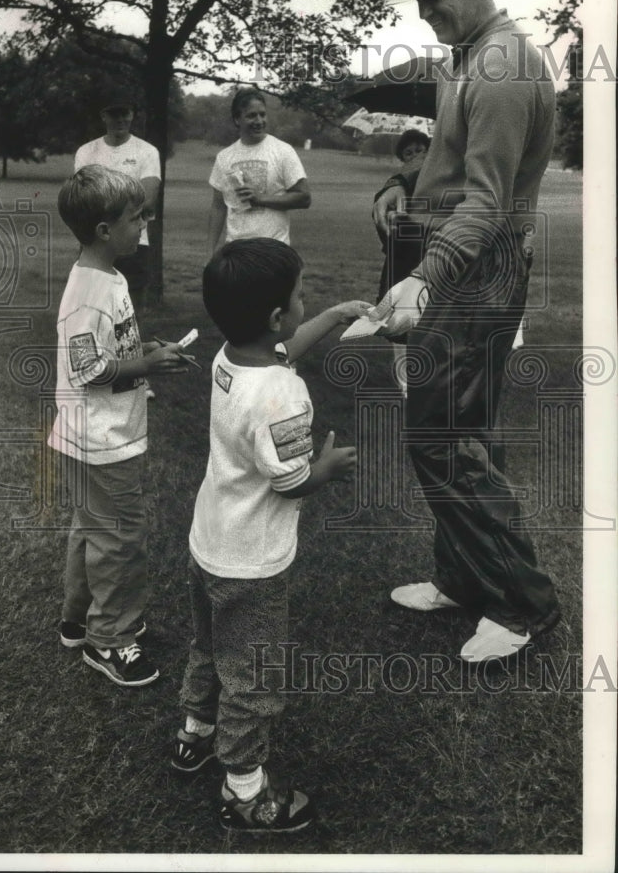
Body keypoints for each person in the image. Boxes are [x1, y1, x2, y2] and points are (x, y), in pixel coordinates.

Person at [376, 0, 560, 662]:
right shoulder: (467, 58)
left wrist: (425, 275)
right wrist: (401, 192)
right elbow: (449, 174)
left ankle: (523, 606)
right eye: (416, 1)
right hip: (460, 261)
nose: (423, 14)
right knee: (454, 433)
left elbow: (484, 204)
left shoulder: (505, 65)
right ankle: (462, 577)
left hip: (476, 270)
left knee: (443, 438)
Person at [171, 238, 369, 832]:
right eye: (303, 297)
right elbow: (288, 482)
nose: (307, 304)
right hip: (251, 564)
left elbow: (279, 353)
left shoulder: (229, 357)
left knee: (208, 646)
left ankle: (194, 734)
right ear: (278, 316)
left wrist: (334, 317)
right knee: (252, 675)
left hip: (209, 544)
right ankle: (244, 790)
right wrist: (324, 471)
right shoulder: (283, 396)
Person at [48, 165, 195, 687]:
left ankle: (77, 619)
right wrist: (147, 368)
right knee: (120, 539)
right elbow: (88, 368)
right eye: (137, 218)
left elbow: (110, 346)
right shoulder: (89, 292)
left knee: (93, 529)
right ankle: (110, 640)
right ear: (105, 230)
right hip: (100, 440)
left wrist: (146, 348)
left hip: (95, 437)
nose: (144, 226)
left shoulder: (107, 276)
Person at [75, 88, 161, 398]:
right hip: (96, 241)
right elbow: (83, 200)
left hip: (136, 239)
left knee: (131, 307)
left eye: (125, 112)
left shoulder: (147, 151)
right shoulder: (87, 152)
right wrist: (126, 199)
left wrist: (108, 201)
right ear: (103, 116)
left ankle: (138, 374)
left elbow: (148, 200)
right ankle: (96, 364)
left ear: (133, 115)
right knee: (94, 303)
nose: (120, 118)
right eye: (113, 113)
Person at [207, 89, 311, 255]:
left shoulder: (283, 151)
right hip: (236, 251)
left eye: (262, 115)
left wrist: (260, 199)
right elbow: (218, 207)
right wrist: (210, 253)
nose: (259, 121)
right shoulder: (224, 157)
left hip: (274, 250)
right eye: (251, 116)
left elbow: (304, 198)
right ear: (237, 119)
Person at [372, 129, 431, 398]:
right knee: (399, 324)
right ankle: (406, 384)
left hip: (429, 261)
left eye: (421, 150)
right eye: (409, 153)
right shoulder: (399, 188)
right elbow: (385, 233)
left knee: (428, 321)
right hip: (403, 262)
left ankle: (429, 377)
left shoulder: (440, 182)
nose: (416, 156)